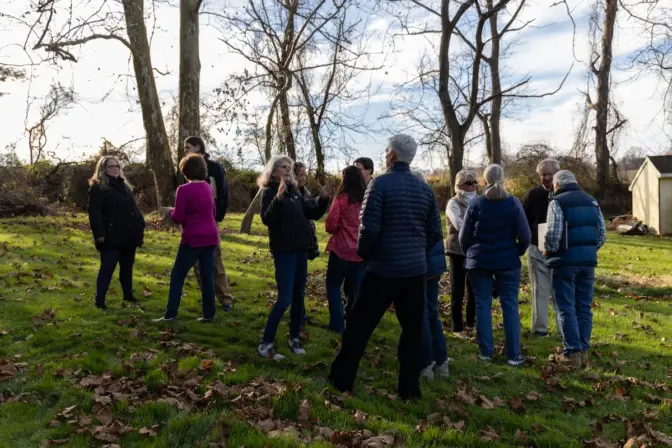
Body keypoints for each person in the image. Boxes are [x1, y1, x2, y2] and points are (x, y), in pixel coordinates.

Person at [329, 134, 442, 400]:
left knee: (358, 327)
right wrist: (416, 251)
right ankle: (409, 389)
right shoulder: (425, 189)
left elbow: (368, 228)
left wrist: (366, 256)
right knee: (413, 332)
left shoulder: (379, 184)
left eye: (386, 150)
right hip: (414, 272)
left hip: (382, 271)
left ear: (391, 155)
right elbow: (434, 232)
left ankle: (341, 380)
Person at [257, 156, 332, 360]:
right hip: (285, 252)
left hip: (301, 251)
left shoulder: (296, 192)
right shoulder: (269, 192)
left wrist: (323, 199)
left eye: (290, 167)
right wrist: (279, 197)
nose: (288, 170)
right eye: (284, 167)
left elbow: (312, 213)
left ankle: (294, 338)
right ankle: (266, 343)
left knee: (299, 296)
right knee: (285, 298)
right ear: (273, 171)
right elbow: (267, 219)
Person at [459, 164, 530, 366]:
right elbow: (525, 236)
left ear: (484, 181)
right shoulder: (513, 203)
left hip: (479, 261)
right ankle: (513, 355)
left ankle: (485, 353)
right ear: (504, 179)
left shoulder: (476, 204)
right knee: (509, 305)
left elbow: (464, 238)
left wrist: (472, 254)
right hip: (508, 261)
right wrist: (516, 251)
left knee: (482, 304)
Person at [543, 170, 606, 368]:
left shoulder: (558, 202)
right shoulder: (592, 202)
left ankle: (571, 353)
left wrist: (548, 249)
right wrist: (588, 250)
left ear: (557, 184)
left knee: (566, 307)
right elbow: (601, 234)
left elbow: (553, 234)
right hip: (588, 263)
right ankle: (583, 351)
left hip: (564, 262)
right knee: (584, 307)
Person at [154, 154, 220, 322]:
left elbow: (178, 217)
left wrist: (169, 211)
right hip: (211, 236)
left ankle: (170, 314)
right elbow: (212, 212)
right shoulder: (207, 187)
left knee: (177, 276)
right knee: (207, 277)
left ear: (185, 171)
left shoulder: (183, 190)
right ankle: (209, 314)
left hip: (193, 238)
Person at [182, 136, 235, 311]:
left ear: (198, 147)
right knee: (197, 264)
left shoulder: (214, 167)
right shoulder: (186, 168)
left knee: (215, 260)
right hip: (191, 222)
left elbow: (223, 192)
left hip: (210, 220)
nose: (185, 150)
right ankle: (208, 296)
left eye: (188, 147)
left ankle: (225, 298)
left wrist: (217, 216)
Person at [88, 156, 145, 311]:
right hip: (110, 236)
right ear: (103, 169)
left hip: (129, 234)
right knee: (107, 268)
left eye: (117, 166)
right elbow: (95, 213)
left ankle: (128, 295)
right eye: (111, 166)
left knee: (127, 268)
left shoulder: (124, 186)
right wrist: (99, 234)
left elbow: (133, 209)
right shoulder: (98, 187)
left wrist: (141, 223)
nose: (115, 169)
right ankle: (99, 301)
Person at [411, 170, 449, 381]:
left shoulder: (415, 203)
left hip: (421, 265)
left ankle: (426, 362)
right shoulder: (431, 200)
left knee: (421, 313)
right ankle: (441, 360)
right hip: (434, 264)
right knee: (432, 311)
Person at [324, 166, 367, 333]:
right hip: (360, 252)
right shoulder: (367, 199)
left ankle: (336, 323)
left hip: (341, 251)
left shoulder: (342, 199)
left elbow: (330, 225)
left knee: (333, 287)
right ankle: (356, 324)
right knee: (357, 291)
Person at [523, 159, 561, 336]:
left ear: (557, 174)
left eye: (550, 174)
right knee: (539, 289)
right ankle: (540, 330)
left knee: (561, 290)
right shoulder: (532, 195)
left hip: (561, 249)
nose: (546, 177)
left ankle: (564, 329)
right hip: (537, 248)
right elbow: (525, 220)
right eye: (543, 174)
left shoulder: (564, 195)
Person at [445, 169, 478, 338]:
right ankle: (457, 327)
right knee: (458, 289)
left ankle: (471, 323)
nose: (473, 186)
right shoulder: (453, 203)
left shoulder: (478, 201)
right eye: (469, 183)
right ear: (460, 185)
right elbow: (459, 225)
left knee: (473, 288)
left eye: (474, 183)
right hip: (457, 250)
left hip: (473, 250)